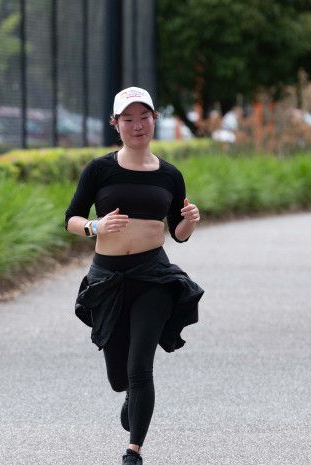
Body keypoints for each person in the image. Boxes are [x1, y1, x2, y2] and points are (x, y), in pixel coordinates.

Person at [66, 87, 204, 465]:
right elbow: (71, 219)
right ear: (116, 124)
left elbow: (177, 231)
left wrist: (189, 222)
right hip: (107, 278)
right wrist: (96, 226)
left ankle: (134, 452)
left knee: (140, 366)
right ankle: (129, 395)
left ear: (154, 119)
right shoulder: (100, 169)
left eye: (144, 117)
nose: (137, 125)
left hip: (153, 276)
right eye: (128, 119)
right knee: (119, 377)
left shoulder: (170, 175)